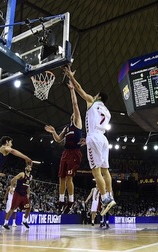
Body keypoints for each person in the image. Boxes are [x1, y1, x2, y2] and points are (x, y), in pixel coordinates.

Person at [63, 65, 116, 216]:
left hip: (94, 137)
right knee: (106, 171)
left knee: (96, 171)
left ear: (98, 96)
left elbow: (79, 89)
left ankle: (105, 198)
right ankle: (110, 195)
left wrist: (71, 77)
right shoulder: (107, 112)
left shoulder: (93, 101)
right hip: (104, 139)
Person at [44, 79, 83, 214]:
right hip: (66, 153)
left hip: (75, 152)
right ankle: (61, 201)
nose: (74, 113)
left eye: (75, 113)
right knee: (61, 177)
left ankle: (71, 200)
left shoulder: (77, 123)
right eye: (72, 114)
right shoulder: (67, 128)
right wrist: (54, 131)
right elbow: (58, 140)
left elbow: (75, 104)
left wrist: (72, 90)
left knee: (68, 178)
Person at [3, 164, 32, 230]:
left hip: (24, 195)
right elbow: (13, 179)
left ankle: (24, 221)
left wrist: (28, 194)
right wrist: (11, 187)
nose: (29, 167)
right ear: (25, 168)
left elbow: (28, 186)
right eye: (28, 166)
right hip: (18, 193)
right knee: (12, 208)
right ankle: (5, 223)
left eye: (30, 167)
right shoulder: (22, 174)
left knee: (28, 208)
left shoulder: (30, 177)